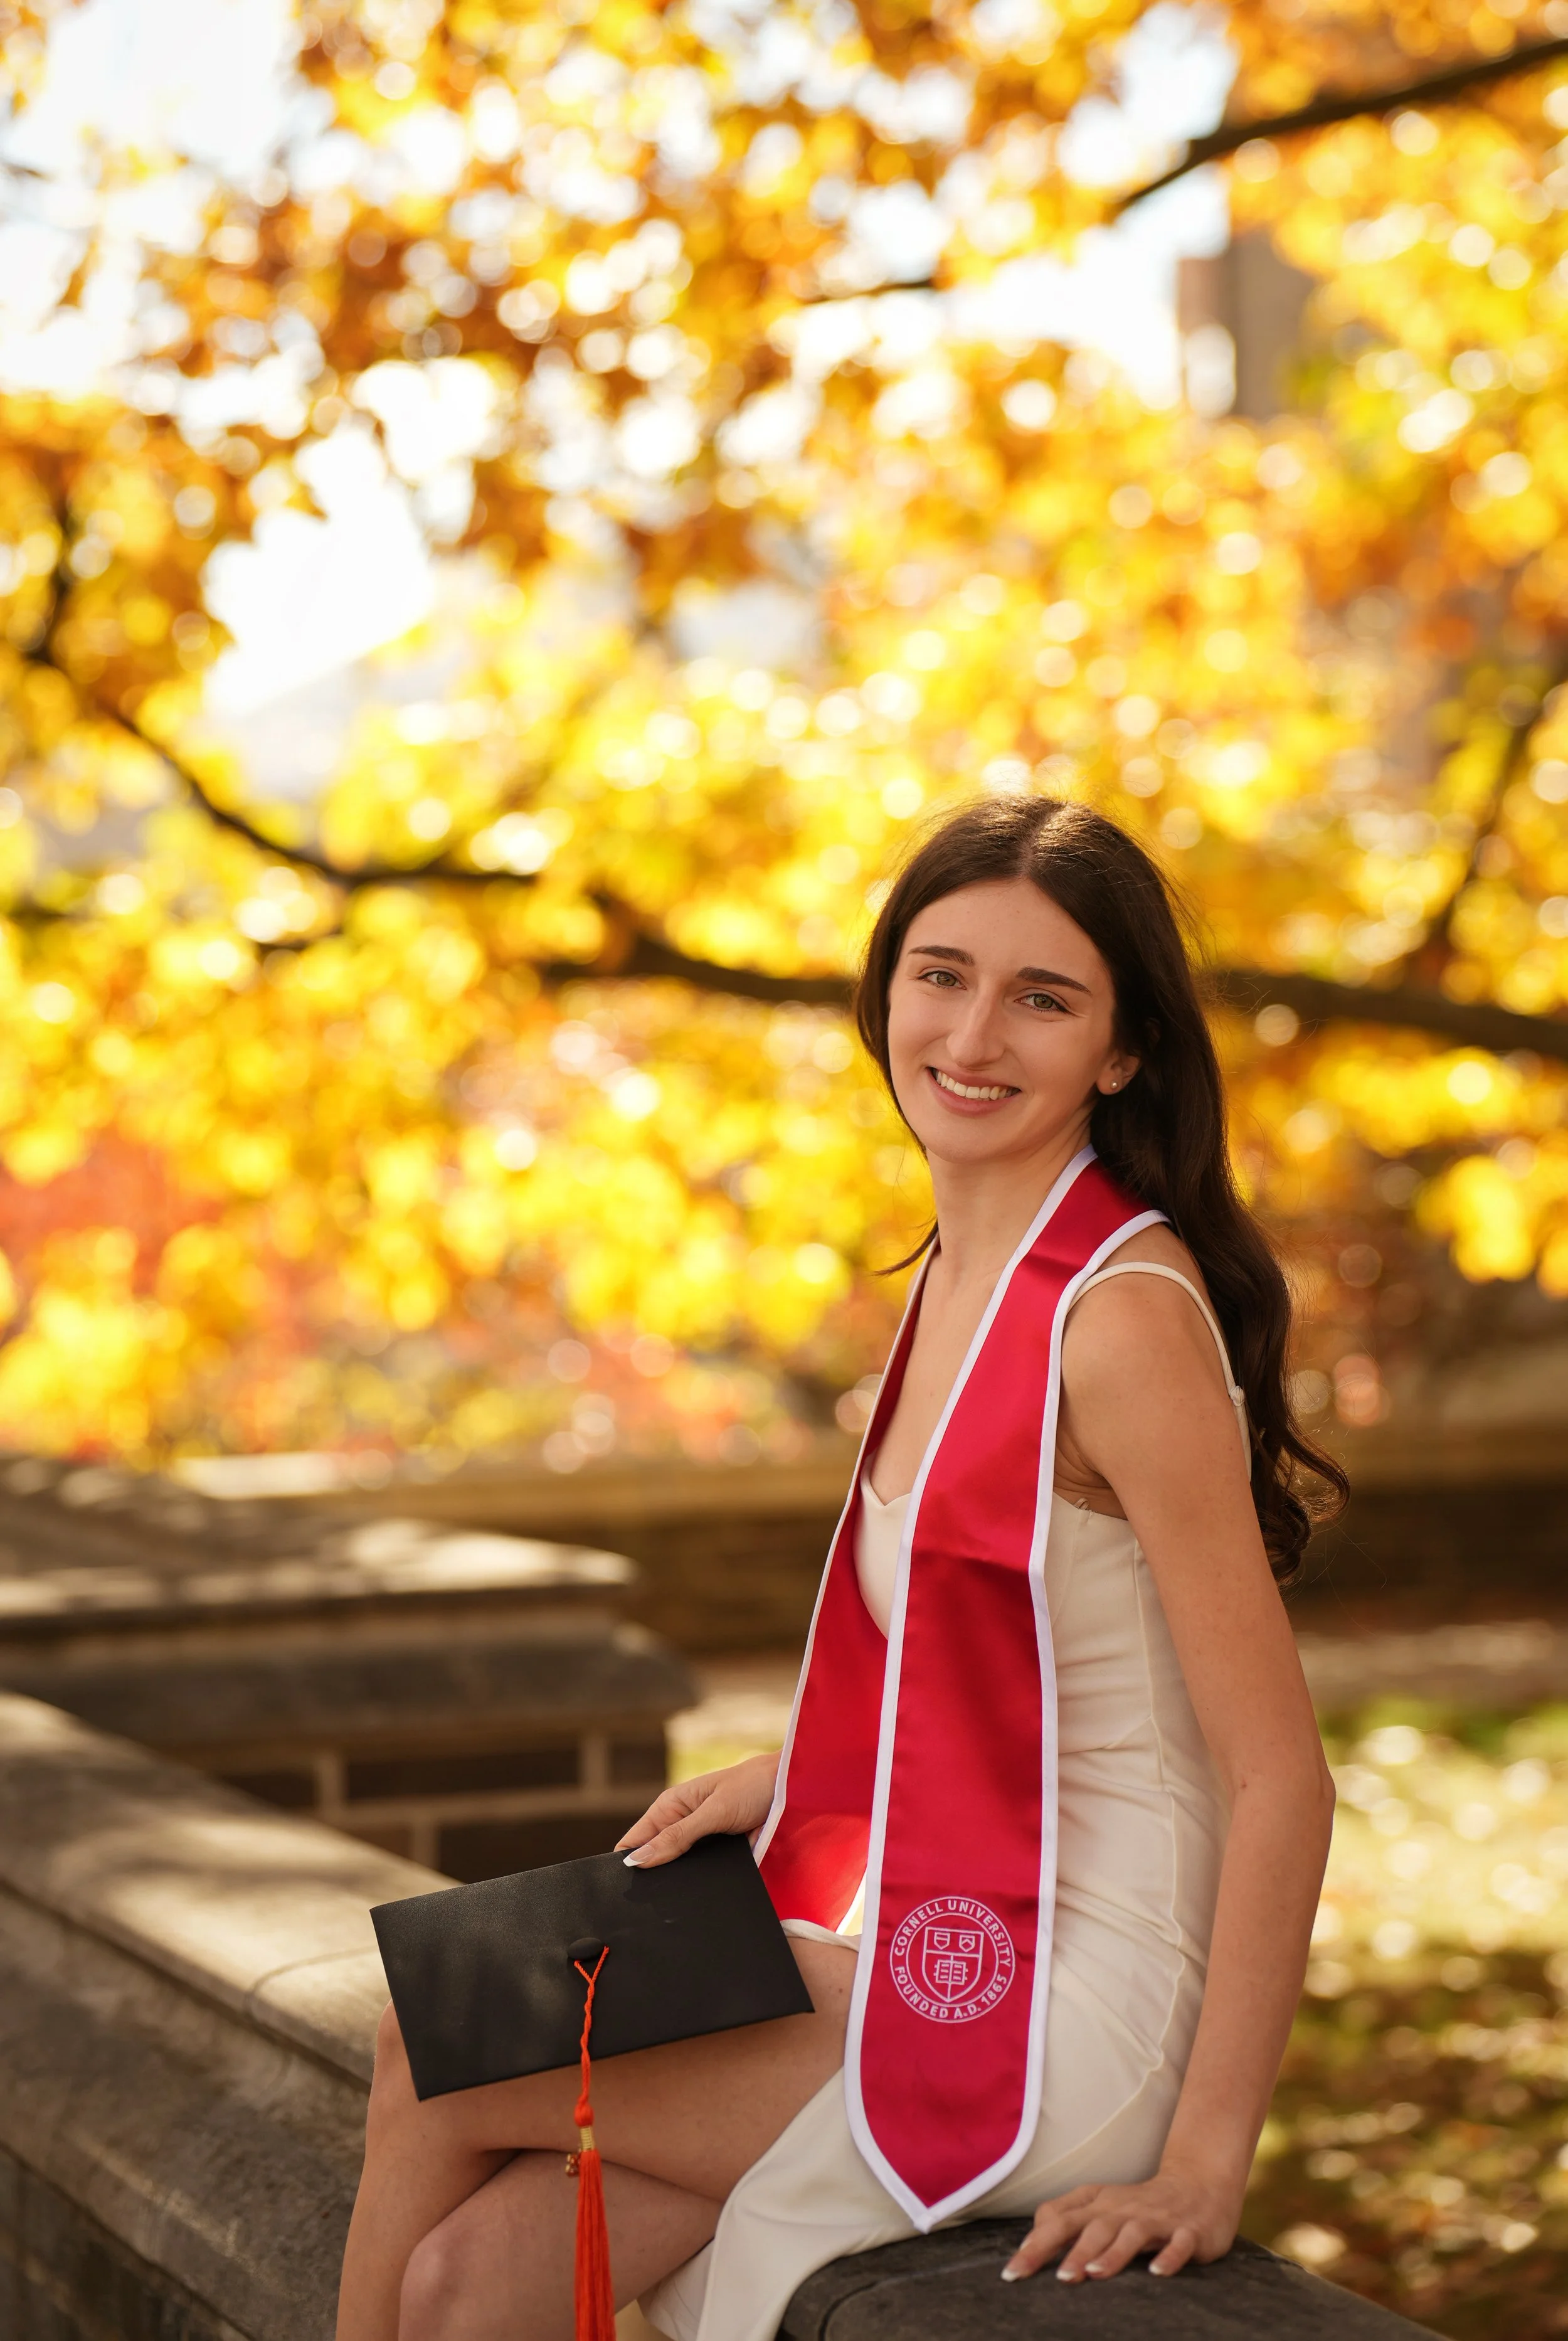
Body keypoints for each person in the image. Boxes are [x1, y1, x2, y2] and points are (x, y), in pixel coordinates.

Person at [337, 794, 1343, 2341]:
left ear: (1120, 1051)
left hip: (1084, 1999)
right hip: (949, 1917)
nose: (973, 1031)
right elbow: (1015, 1655)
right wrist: (803, 1769)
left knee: (439, 2036)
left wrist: (1206, 2164)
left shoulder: (1117, 1316)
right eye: (939, 974)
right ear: (883, 993)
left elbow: (1278, 1772)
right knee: (477, 2282)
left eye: (1043, 996)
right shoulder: (960, 1271)